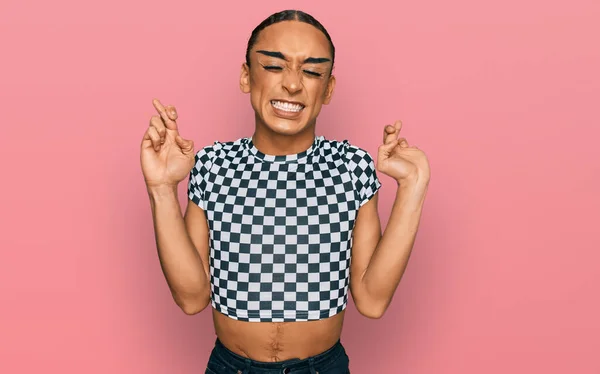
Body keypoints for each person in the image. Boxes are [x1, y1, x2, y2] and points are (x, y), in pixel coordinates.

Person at [140, 9, 430, 374]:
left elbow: (372, 300)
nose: (293, 84)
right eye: (274, 66)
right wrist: (162, 188)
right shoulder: (213, 165)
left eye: (311, 71)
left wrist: (413, 187)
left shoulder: (350, 166)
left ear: (328, 88)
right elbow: (192, 297)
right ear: (246, 76)